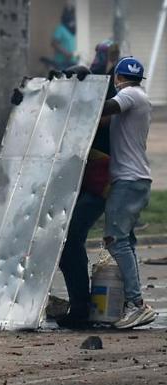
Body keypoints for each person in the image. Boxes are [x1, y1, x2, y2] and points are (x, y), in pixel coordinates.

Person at [56, 40, 120, 329]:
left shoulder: (109, 95)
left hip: (99, 184)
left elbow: (102, 112)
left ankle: (82, 309)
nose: (97, 60)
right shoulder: (83, 94)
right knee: (66, 243)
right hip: (78, 181)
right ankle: (80, 305)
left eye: (102, 56)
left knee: (71, 241)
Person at [98, 57, 156, 329]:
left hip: (129, 181)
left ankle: (137, 304)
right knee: (125, 242)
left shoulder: (130, 95)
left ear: (116, 78)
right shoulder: (139, 96)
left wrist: (89, 92)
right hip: (134, 180)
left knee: (115, 240)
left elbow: (107, 106)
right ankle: (131, 301)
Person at [51, 4, 78, 70]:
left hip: (72, 61)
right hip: (62, 62)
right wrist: (66, 53)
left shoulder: (72, 30)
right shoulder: (60, 29)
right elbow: (54, 43)